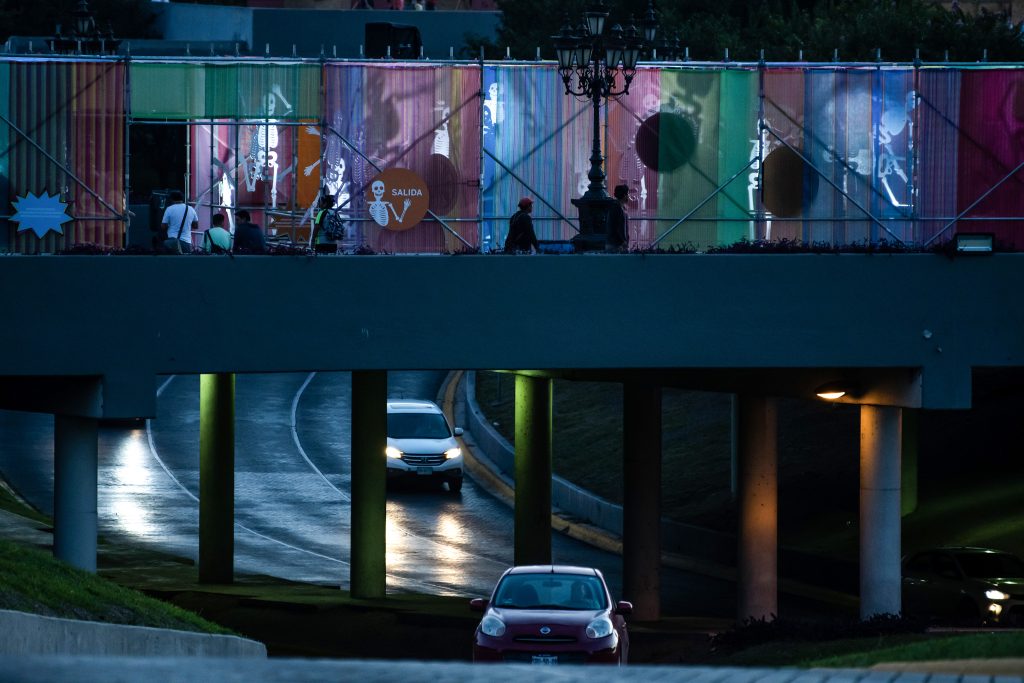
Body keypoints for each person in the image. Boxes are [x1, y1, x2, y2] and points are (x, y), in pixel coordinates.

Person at [607, 184, 630, 252]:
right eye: (628, 194)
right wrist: (623, 242)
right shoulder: (618, 208)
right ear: (624, 195)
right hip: (617, 246)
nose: (629, 196)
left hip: (616, 244)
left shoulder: (617, 207)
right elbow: (618, 227)